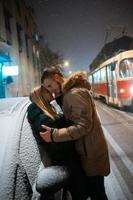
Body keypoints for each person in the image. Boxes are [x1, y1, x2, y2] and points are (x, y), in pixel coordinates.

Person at [40, 67, 110, 200]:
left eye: (50, 85)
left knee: (98, 194)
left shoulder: (74, 94)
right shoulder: (68, 94)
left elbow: (83, 126)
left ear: (57, 77)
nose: (50, 90)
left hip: (91, 154)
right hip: (88, 151)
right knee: (96, 193)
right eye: (47, 88)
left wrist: (55, 135)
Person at [27, 85, 88, 200]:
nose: (51, 92)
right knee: (79, 193)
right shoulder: (43, 119)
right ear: (41, 96)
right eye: (47, 91)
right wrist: (72, 134)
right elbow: (58, 146)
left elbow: (59, 122)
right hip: (66, 163)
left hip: (65, 162)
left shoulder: (46, 111)